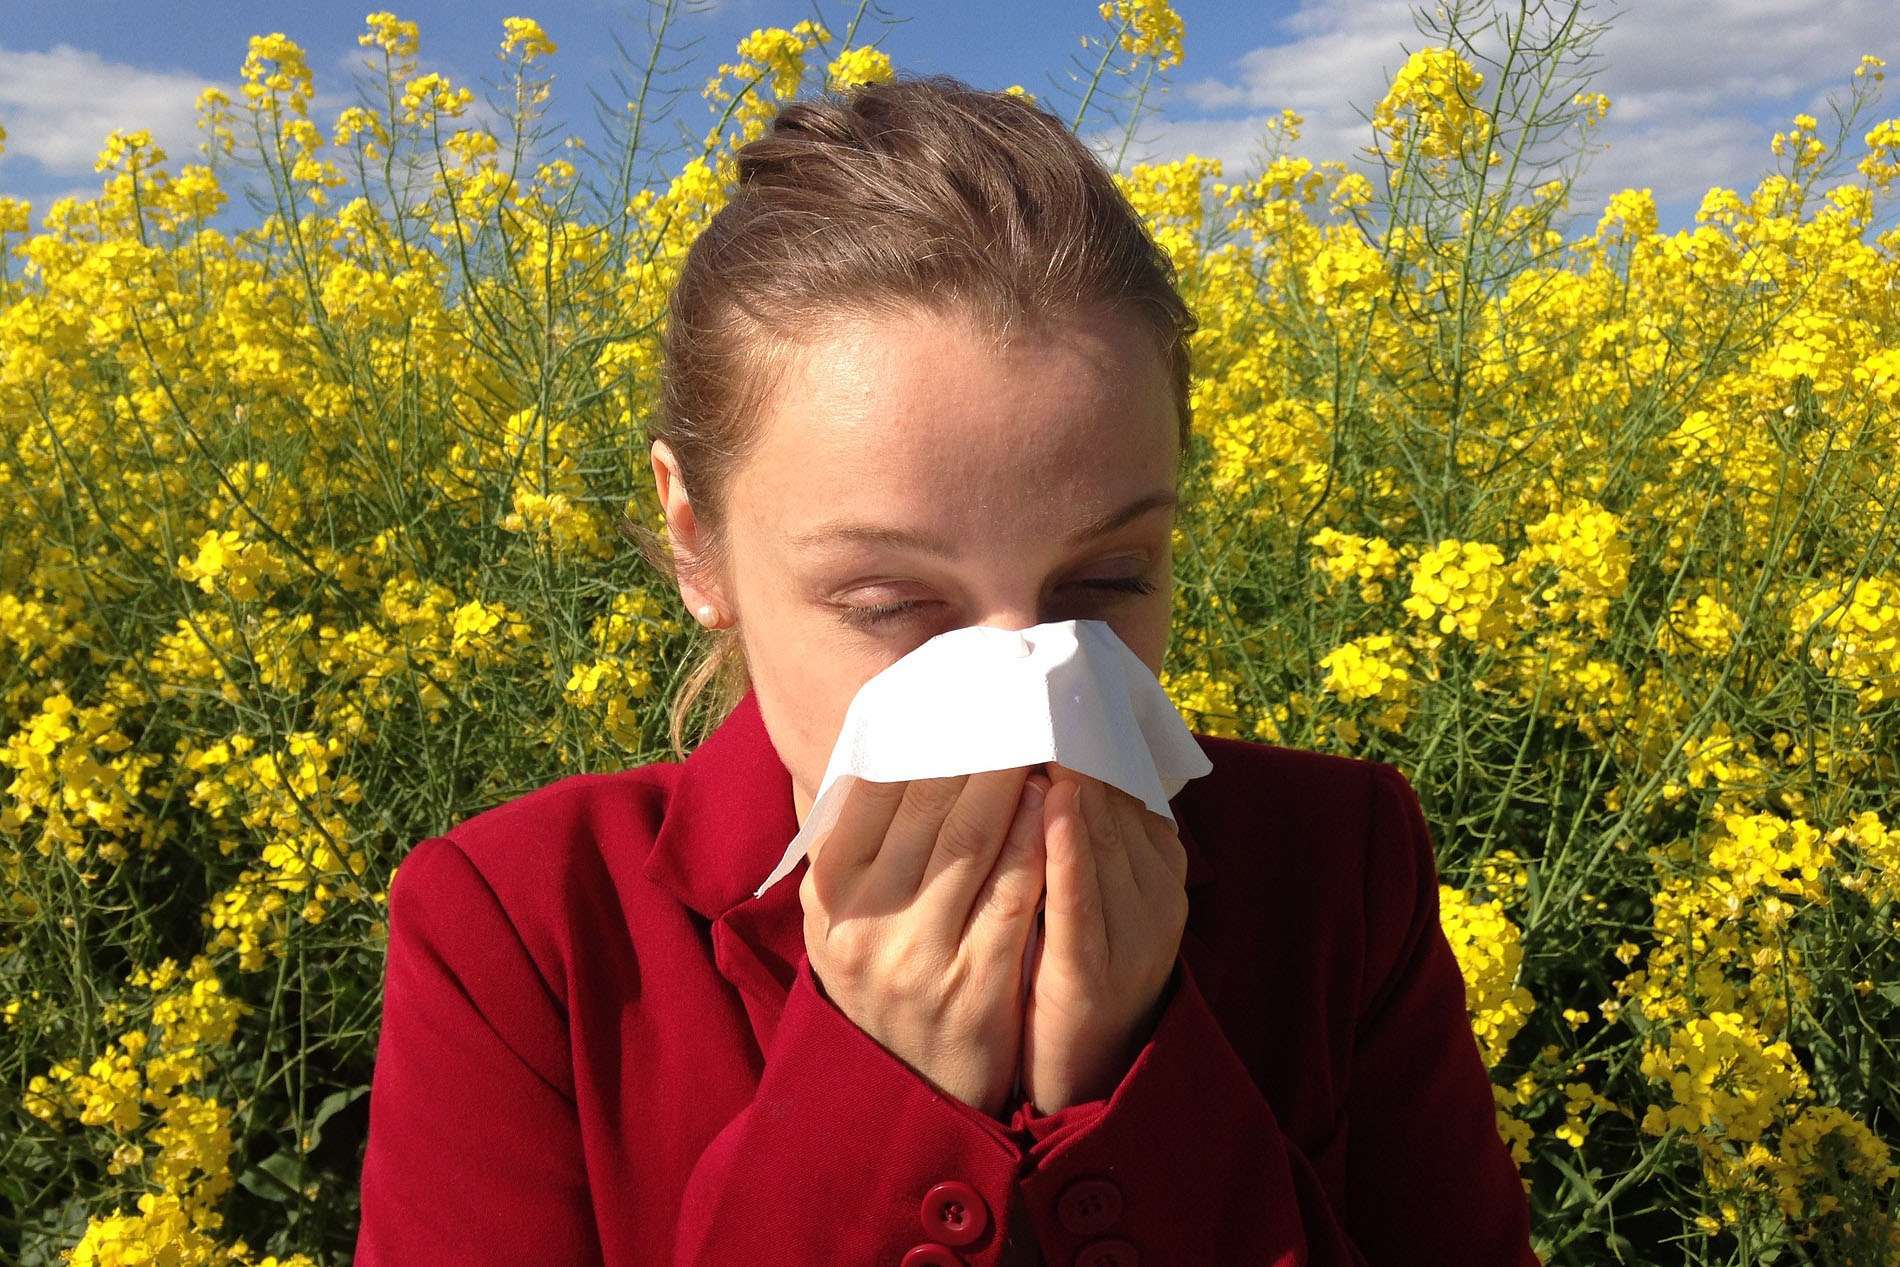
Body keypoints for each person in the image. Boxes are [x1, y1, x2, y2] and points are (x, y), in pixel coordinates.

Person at [353, 72, 1542, 1266]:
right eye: (889, 603)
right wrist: (880, 1093)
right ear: (695, 541)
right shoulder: (527, 933)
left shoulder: (1335, 869)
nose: (1024, 703)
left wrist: (1132, 1076)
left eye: (1106, 583)